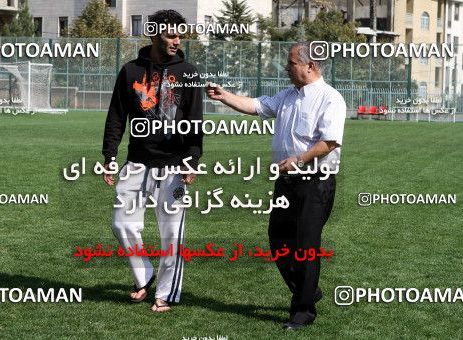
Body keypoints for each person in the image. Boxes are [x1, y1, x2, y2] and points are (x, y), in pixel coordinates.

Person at [206, 41, 346, 329]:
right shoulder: (287, 96)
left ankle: (302, 313)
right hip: (286, 181)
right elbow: (256, 106)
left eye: (291, 62)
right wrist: (224, 96)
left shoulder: (330, 98)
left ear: (311, 65)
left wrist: (298, 160)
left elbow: (329, 142)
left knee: (306, 245)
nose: (286, 67)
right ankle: (308, 290)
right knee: (279, 241)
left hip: (315, 182)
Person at [102, 9, 203, 312]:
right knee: (122, 224)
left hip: (173, 165)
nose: (177, 40)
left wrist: (192, 159)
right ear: (154, 34)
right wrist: (109, 155)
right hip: (136, 163)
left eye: (179, 34)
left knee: (171, 234)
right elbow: (116, 117)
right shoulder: (131, 71)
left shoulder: (188, 72)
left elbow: (195, 120)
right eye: (171, 34)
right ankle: (143, 274)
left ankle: (165, 293)